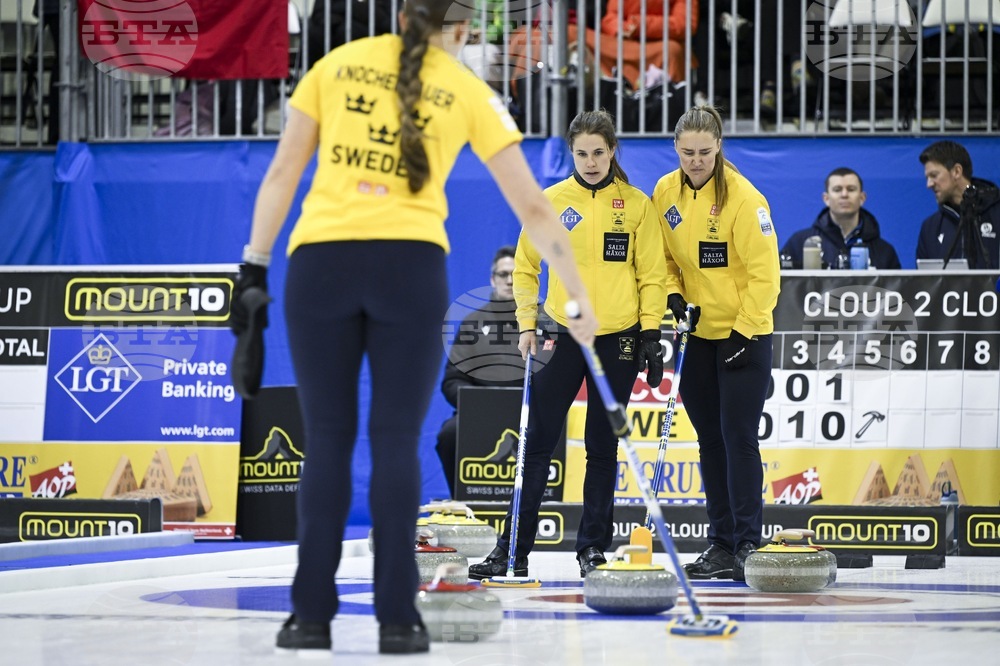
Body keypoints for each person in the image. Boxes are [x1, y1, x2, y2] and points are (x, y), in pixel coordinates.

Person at [230, 0, 598, 655]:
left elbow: (283, 172)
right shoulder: (467, 89)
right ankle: (398, 619)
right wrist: (576, 298)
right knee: (397, 441)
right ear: (460, 30)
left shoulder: (334, 65)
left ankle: (309, 615)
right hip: (410, 265)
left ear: (401, 15)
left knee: (329, 438)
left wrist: (252, 266)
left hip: (321, 265)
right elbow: (535, 206)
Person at [468, 109, 668, 581]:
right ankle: (511, 550)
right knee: (536, 443)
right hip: (560, 331)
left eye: (600, 152)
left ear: (612, 151)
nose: (592, 161)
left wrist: (651, 333)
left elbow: (652, 277)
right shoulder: (552, 200)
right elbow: (524, 268)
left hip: (617, 335)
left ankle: (592, 550)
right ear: (571, 154)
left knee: (602, 447)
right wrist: (525, 323)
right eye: (582, 153)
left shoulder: (637, 205)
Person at [651, 105, 780, 583]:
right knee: (709, 441)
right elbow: (662, 255)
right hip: (697, 335)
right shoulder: (665, 191)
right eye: (687, 153)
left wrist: (744, 333)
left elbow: (767, 278)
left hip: (745, 334)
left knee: (738, 437)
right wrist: (672, 294)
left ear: (720, 147)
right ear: (676, 149)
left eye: (705, 152)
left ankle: (748, 541)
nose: (696, 161)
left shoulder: (746, 200)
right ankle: (720, 543)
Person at [436, 245, 523, 497]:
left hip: (531, 415)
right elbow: (452, 380)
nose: (509, 280)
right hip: (478, 414)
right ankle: (463, 502)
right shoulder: (473, 323)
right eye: (503, 274)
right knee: (449, 434)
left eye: (516, 275)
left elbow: (557, 378)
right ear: (492, 279)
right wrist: (479, 405)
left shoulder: (545, 323)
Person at [781, 167, 901, 269]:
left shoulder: (884, 251)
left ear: (862, 198)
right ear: (826, 198)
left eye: (851, 189)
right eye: (837, 190)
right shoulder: (801, 243)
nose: (844, 195)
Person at [917, 140, 1000, 270]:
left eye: (934, 175)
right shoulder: (930, 228)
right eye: (927, 178)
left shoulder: (996, 213)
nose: (929, 184)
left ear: (956, 171)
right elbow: (924, 287)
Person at [598, 0, 700, 85]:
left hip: (662, 47)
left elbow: (684, 24)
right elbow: (610, 18)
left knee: (671, 51)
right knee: (586, 37)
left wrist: (639, 24)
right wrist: (620, 28)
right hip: (627, 45)